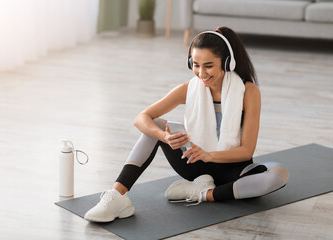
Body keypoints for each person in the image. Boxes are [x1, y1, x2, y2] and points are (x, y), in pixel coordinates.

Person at [84, 26, 290, 223]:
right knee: (155, 126)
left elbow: (246, 151)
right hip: (194, 165)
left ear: (227, 63)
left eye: (208, 65)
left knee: (278, 175)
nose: (201, 73)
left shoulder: (248, 91)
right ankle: (116, 196)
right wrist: (164, 136)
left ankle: (203, 193)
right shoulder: (188, 88)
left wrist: (209, 155)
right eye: (195, 65)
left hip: (232, 171)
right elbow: (142, 118)